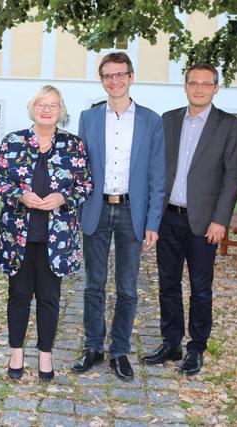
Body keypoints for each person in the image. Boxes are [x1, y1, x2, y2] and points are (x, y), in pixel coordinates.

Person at [140, 63, 237, 376]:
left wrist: (221, 220)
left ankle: (196, 347)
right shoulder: (168, 120)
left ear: (216, 88)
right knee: (168, 284)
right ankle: (171, 342)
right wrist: (152, 219)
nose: (199, 89)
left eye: (206, 84)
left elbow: (233, 176)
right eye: (193, 83)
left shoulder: (229, 125)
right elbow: (155, 170)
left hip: (204, 222)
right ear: (185, 86)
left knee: (201, 288)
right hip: (169, 217)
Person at [72, 52, 166, 382]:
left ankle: (120, 351)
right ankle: (93, 347)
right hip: (96, 208)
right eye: (107, 75)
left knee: (127, 287)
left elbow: (157, 177)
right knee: (94, 284)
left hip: (132, 212)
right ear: (102, 80)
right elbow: (80, 170)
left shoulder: (152, 121)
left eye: (120, 74)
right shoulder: (89, 118)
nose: (114, 81)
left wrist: (153, 222)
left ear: (131, 76)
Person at [0, 85, 92, 381]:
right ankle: (16, 351)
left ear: (61, 111)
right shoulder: (14, 141)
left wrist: (64, 198)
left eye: (53, 105)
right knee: (19, 294)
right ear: (33, 108)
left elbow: (85, 184)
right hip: (18, 235)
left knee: (49, 296)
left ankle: (45, 354)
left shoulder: (73, 145)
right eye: (41, 104)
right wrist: (20, 194)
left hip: (56, 237)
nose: (47, 109)